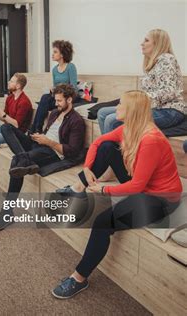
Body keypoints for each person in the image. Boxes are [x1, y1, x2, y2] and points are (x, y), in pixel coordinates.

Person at [52, 90, 182, 299]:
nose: (116, 108)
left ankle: (79, 278)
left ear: (132, 111)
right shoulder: (129, 129)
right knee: (106, 147)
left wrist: (103, 189)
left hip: (161, 199)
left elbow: (137, 186)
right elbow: (97, 143)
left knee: (103, 222)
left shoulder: (151, 139)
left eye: (121, 105)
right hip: (142, 186)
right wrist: (86, 170)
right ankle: (79, 189)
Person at [0, 84, 85, 232]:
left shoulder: (76, 121)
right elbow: (46, 132)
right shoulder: (55, 114)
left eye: (59, 101)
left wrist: (48, 142)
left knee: (16, 161)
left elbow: (73, 151)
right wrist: (37, 136)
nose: (56, 104)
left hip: (52, 151)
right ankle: (24, 159)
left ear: (69, 100)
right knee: (6, 127)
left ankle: (6, 212)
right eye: (55, 100)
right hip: (39, 143)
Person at [97, 29, 186, 134]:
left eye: (146, 40)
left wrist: (137, 101)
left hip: (169, 111)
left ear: (157, 44)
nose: (142, 43)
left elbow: (169, 91)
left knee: (112, 120)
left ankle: (117, 149)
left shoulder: (167, 59)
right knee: (102, 113)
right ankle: (108, 147)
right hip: (152, 108)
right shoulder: (153, 63)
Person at [30, 40, 78, 133]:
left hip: (68, 97)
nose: (53, 54)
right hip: (57, 97)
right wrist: (53, 89)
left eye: (55, 52)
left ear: (62, 54)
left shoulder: (70, 67)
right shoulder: (54, 70)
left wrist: (61, 91)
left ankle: (35, 129)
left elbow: (74, 88)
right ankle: (36, 129)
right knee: (45, 98)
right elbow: (56, 87)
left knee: (44, 99)